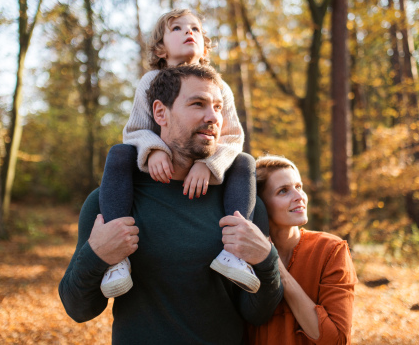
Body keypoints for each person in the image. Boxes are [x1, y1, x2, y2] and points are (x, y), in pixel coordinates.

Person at [58, 64, 283, 344]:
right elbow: (78, 309)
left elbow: (257, 313)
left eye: (217, 107)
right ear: (160, 113)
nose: (213, 116)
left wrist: (266, 260)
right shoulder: (112, 200)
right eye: (198, 104)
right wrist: (98, 254)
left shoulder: (241, 205)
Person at [99, 9, 259, 298]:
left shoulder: (219, 87)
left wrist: (209, 165)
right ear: (160, 47)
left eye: (196, 29)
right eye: (177, 28)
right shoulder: (150, 81)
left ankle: (235, 252)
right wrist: (154, 150)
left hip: (205, 163)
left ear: (205, 45)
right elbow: (135, 130)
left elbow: (233, 137)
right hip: (157, 164)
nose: (189, 32)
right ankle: (117, 259)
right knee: (119, 154)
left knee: (244, 162)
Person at [246, 155, 357, 345]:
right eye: (283, 191)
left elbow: (336, 340)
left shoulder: (331, 250)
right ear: (260, 204)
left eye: (299, 187)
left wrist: (273, 265)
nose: (299, 197)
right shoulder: (242, 256)